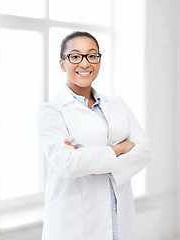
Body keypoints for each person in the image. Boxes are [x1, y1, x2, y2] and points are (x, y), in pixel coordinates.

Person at [38, 31, 151, 240]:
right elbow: (67, 164)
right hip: (75, 225)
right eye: (75, 56)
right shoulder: (52, 111)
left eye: (92, 55)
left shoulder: (116, 104)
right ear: (62, 64)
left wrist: (88, 160)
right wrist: (119, 149)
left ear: (99, 61)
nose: (84, 63)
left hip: (119, 221)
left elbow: (144, 150)